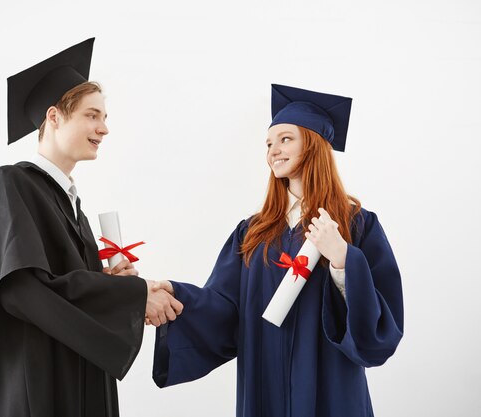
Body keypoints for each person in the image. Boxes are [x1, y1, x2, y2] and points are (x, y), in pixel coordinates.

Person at [0, 38, 182, 417]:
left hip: (67, 373)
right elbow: (21, 289)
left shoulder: (72, 205)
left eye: (104, 117)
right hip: (31, 381)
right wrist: (132, 296)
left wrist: (114, 285)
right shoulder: (11, 184)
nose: (104, 128)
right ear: (54, 117)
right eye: (92, 115)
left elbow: (58, 285)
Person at [152, 84, 404, 417]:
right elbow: (226, 307)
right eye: (269, 143)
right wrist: (176, 293)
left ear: (313, 145)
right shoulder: (252, 232)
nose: (273, 150)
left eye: (285, 139)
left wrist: (343, 259)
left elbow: (380, 329)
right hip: (264, 387)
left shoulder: (356, 225)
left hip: (332, 390)